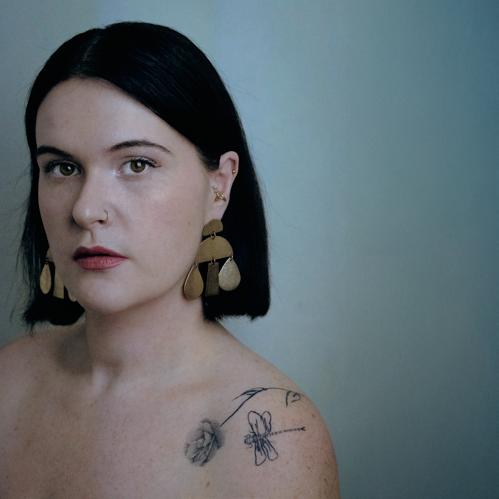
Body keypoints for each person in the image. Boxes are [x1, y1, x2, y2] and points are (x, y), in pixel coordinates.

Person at [0, 21, 340, 498]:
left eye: (137, 164)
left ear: (219, 186)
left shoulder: (273, 440)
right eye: (62, 167)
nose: (85, 209)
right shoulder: (8, 383)